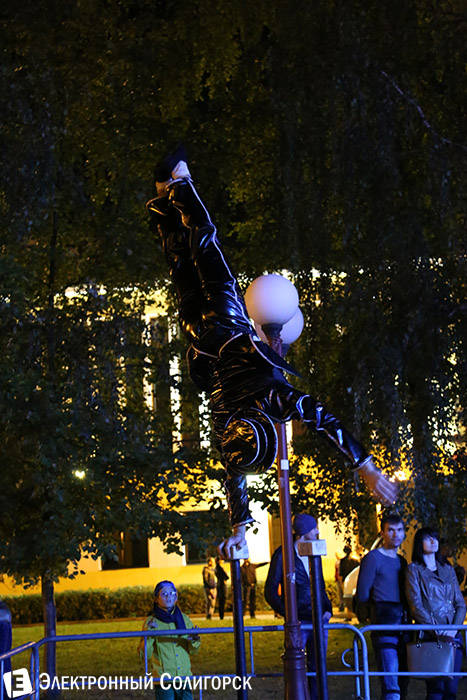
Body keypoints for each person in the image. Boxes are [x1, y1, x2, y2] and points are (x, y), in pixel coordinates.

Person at [147, 145, 397, 558]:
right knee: (182, 271)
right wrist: (239, 527)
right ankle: (163, 198)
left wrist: (366, 466)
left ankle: (181, 181)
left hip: (227, 325)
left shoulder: (271, 400)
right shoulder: (226, 425)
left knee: (206, 249)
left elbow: (323, 419)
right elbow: (234, 475)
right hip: (199, 339)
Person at [265, 513, 332, 700]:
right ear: (303, 532)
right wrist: (289, 615)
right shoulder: (283, 555)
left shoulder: (313, 552)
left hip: (318, 619)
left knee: (318, 667)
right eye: (313, 528)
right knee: (297, 668)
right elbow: (270, 591)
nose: (317, 531)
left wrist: (327, 608)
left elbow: (319, 585)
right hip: (299, 622)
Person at [405, 527, 466, 700]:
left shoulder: (448, 569)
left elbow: (460, 603)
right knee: (435, 691)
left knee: (451, 691)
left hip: (453, 636)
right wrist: (437, 631)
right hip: (432, 636)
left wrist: (453, 629)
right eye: (428, 538)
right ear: (419, 543)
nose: (433, 542)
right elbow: (416, 606)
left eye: (435, 538)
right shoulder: (414, 570)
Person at [356, 514, 409, 700]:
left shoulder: (402, 561)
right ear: (382, 533)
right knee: (390, 679)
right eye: (390, 530)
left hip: (404, 625)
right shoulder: (373, 558)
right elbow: (362, 594)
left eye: (399, 530)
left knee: (403, 680)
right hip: (384, 622)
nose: (396, 534)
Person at [138, 580, 200, 700]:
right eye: (164, 594)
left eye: (172, 593)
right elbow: (144, 654)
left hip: (184, 677)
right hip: (164, 679)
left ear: (176, 597)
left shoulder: (185, 620)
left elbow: (193, 651)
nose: (168, 597)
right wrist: (149, 635)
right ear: (156, 599)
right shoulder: (151, 622)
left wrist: (195, 640)